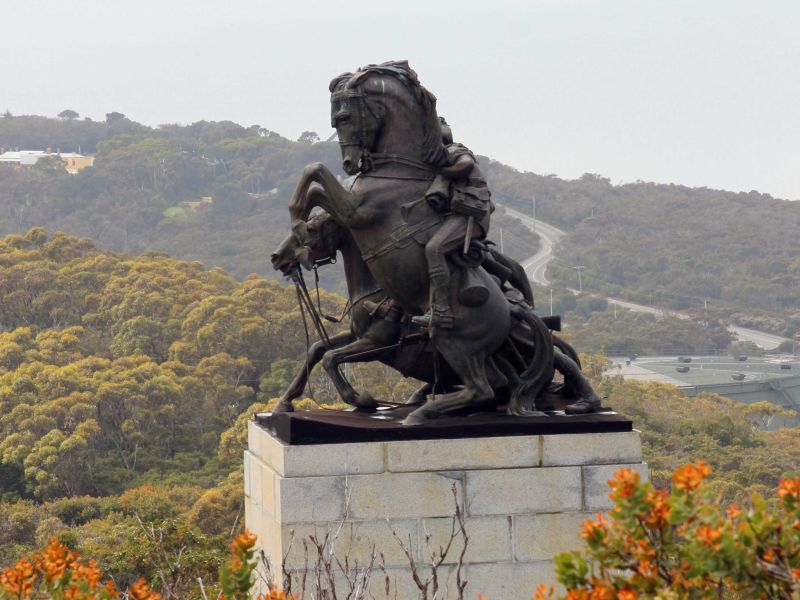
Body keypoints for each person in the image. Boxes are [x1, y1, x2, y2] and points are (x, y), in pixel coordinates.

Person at [412, 118, 494, 330]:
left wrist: (443, 173)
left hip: (470, 215)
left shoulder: (453, 150)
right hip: (453, 215)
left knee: (435, 248)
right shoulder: (426, 164)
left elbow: (466, 165)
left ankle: (442, 312)